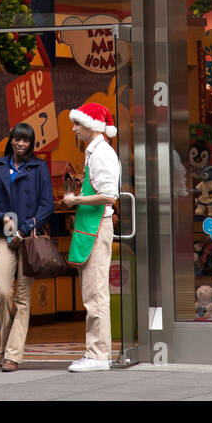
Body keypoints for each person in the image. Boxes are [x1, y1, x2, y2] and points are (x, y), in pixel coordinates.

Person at [0, 123, 54, 372]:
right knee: (2, 292)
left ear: (31, 144)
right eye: (17, 139)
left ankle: (11, 355)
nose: (21, 144)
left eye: (26, 140)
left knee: (23, 298)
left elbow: (47, 206)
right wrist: (1, 217)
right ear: (10, 141)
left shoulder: (39, 167)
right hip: (4, 237)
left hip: (29, 239)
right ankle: (5, 347)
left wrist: (27, 227)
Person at [63, 102, 120, 372]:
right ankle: (95, 352)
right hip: (92, 225)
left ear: (91, 126)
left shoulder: (102, 153)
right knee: (91, 292)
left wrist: (76, 200)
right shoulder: (94, 152)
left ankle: (98, 355)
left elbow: (109, 196)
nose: (74, 129)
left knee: (95, 293)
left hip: (98, 225)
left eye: (78, 124)